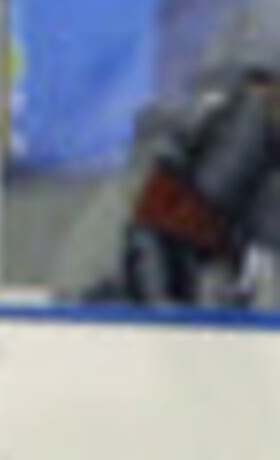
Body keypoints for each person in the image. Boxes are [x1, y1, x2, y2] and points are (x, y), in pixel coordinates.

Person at [99, 64, 280, 308]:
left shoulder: (232, 115)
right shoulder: (247, 120)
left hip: (179, 247)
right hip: (172, 243)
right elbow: (214, 191)